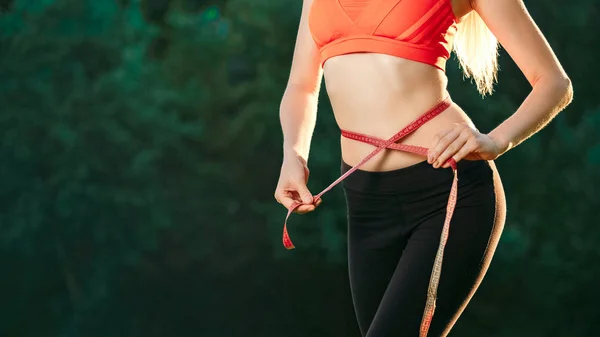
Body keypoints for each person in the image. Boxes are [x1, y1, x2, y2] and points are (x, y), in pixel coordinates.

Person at [273, 0, 573, 336]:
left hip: (448, 193)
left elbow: (554, 83)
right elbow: (302, 86)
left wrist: (497, 141)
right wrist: (294, 156)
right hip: (365, 204)